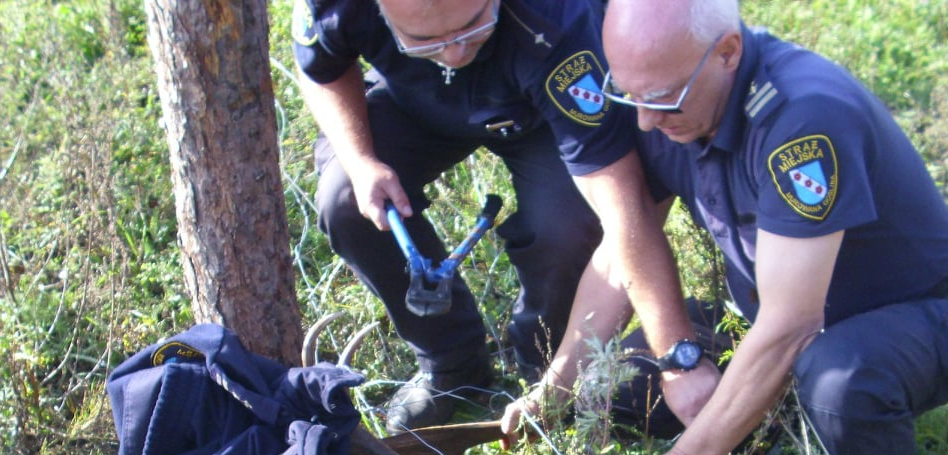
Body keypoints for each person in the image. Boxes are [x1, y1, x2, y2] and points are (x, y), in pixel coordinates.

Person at [501, 0, 948, 455]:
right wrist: (555, 388)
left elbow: (792, 325)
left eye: (659, 99)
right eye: (628, 96)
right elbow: (623, 252)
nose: (643, 121)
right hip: (776, 317)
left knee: (838, 382)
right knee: (619, 384)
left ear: (728, 53)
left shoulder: (802, 119)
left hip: (912, 319)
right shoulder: (669, 96)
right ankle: (781, 426)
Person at [292, 0, 690, 431]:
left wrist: (673, 358)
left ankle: (547, 367)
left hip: (539, 107)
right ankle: (452, 366)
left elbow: (625, 215)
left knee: (567, 230)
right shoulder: (333, 6)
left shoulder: (560, 21)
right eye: (425, 40)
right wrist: (360, 160)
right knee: (347, 199)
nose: (454, 55)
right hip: (412, 98)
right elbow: (323, 68)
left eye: (469, 29)